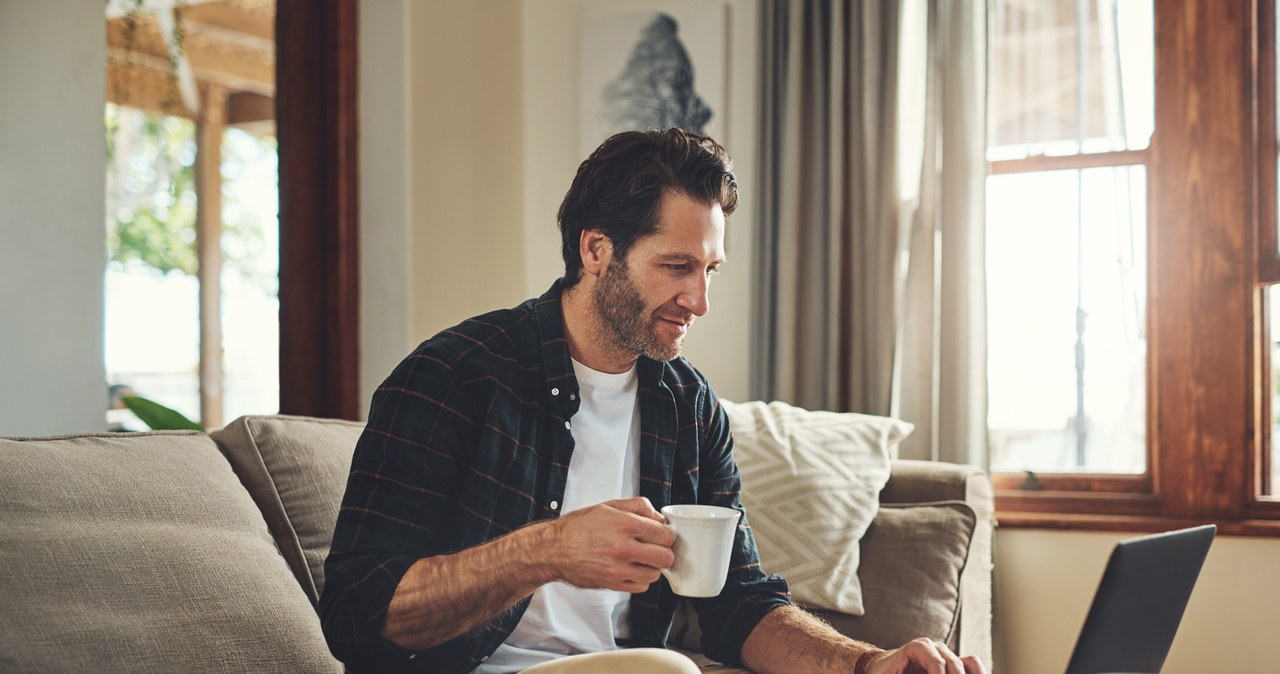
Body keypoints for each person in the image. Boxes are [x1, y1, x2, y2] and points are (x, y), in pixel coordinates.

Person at [319, 128, 986, 674]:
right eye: (677, 266)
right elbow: (355, 614)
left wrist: (869, 664)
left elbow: (739, 603)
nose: (700, 301)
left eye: (709, 270)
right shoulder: (453, 376)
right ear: (596, 250)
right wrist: (546, 550)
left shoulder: (687, 405)